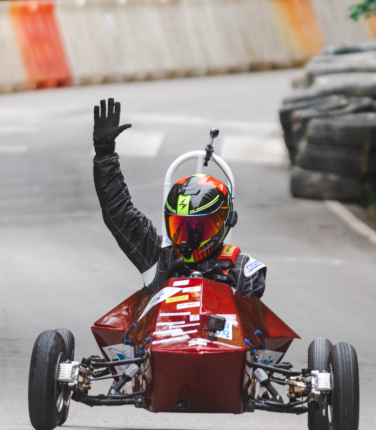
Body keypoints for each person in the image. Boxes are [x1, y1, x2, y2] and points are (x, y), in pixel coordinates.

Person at [92, 98, 267, 298]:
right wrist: (105, 155)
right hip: (161, 329)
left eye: (196, 227)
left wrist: (226, 286)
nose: (187, 236)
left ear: (222, 222)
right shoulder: (158, 256)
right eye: (180, 226)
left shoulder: (243, 271)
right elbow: (119, 212)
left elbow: (255, 325)